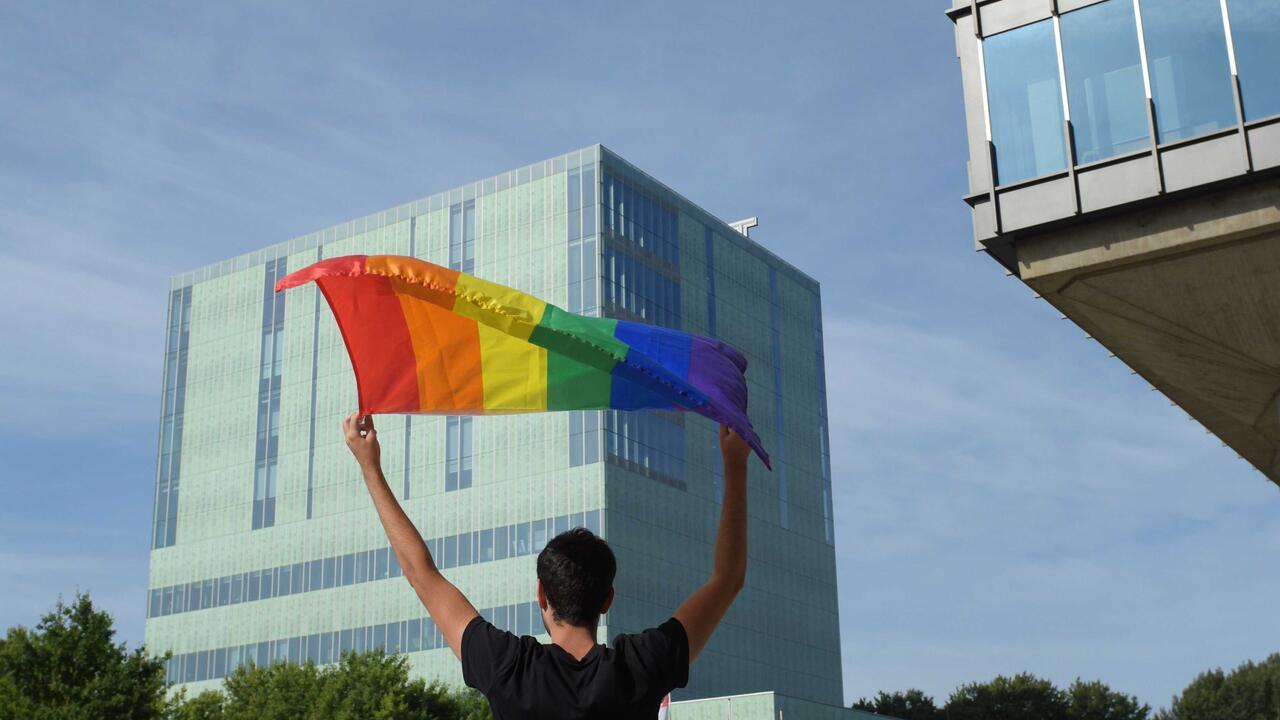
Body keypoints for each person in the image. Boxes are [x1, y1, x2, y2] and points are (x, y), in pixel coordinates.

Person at [342, 412, 752, 720]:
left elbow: (421, 574)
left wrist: (370, 468)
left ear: (541, 594)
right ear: (606, 599)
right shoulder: (640, 667)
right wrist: (735, 464)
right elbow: (727, 580)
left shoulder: (509, 669)